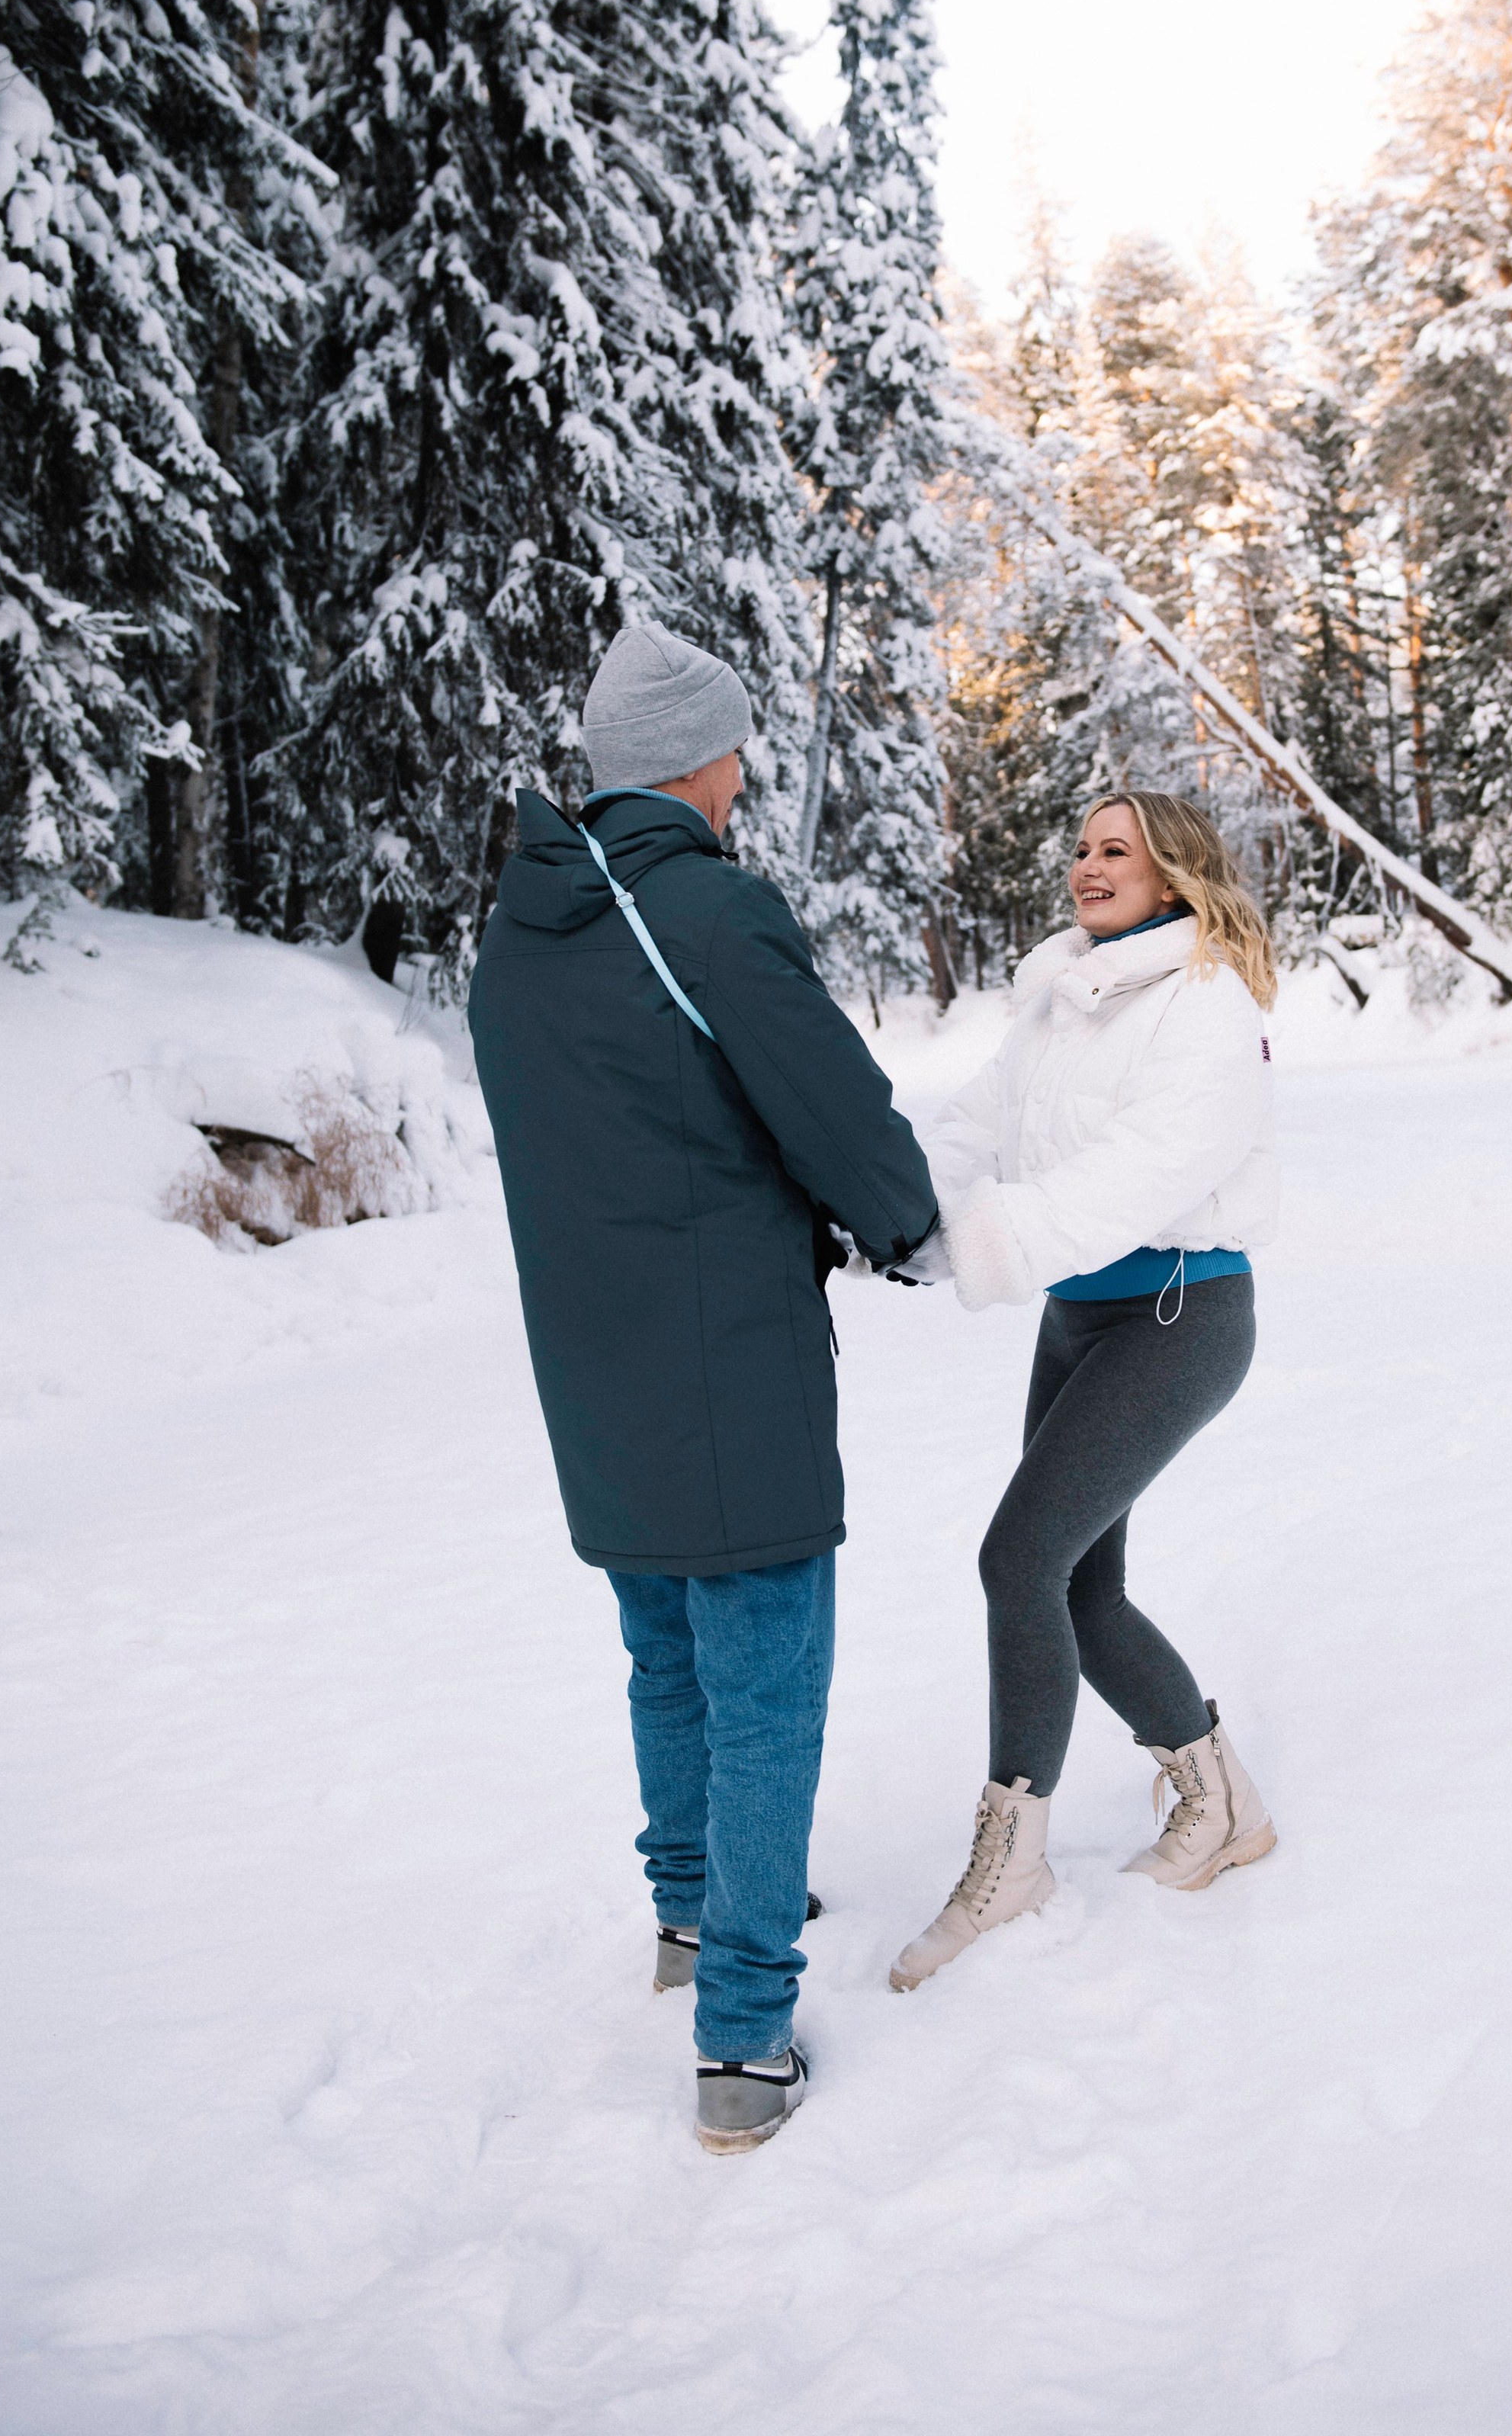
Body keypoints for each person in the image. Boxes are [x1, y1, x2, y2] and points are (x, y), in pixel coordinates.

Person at [468, 621, 939, 2150]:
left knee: (667, 1655)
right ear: (699, 758)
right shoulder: (709, 912)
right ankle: (742, 2030)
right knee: (763, 1679)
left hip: (591, 1369)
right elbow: (828, 1102)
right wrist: (903, 1222)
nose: (741, 776)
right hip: (723, 1362)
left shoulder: (515, 934)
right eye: (733, 749)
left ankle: (687, 1913)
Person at [891, 790, 1280, 1991]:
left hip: (1179, 1314)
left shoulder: (1208, 1001)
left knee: (1021, 1561)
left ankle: (1014, 1857)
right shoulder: (1062, 1000)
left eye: (1117, 850)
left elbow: (1144, 1170)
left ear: (1174, 874)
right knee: (1077, 1579)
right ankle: (1223, 1803)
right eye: (1079, 849)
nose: (1086, 866)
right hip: (1081, 1314)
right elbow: (975, 1126)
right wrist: (904, 1212)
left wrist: (986, 1242)